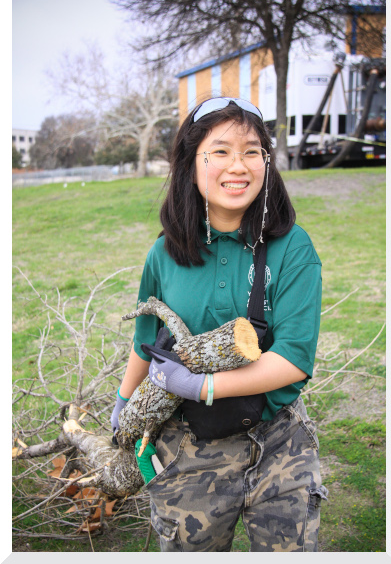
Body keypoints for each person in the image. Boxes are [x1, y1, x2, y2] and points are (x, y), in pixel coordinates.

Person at [111, 97, 328, 552]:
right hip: (188, 448)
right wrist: (124, 401)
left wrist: (203, 386)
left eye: (253, 151)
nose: (239, 165)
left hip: (279, 437)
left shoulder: (293, 248)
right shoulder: (163, 254)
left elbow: (294, 357)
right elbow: (145, 338)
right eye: (221, 151)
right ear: (191, 163)